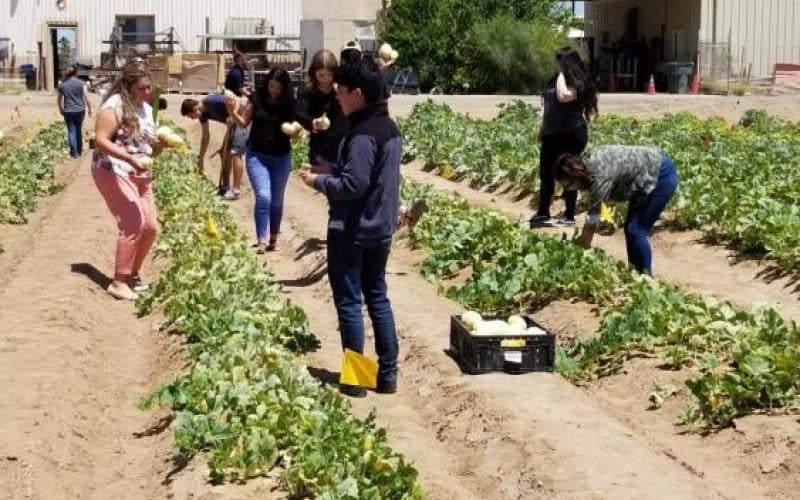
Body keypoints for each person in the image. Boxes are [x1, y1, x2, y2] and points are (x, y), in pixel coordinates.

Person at [299, 63, 402, 397]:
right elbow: (370, 177)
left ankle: (357, 381)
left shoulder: (362, 134)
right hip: (381, 227)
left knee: (349, 302)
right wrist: (334, 168)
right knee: (377, 297)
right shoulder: (388, 128)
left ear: (357, 94)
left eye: (341, 92)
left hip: (353, 228)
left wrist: (319, 181)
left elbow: (354, 185)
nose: (337, 98)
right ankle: (386, 377)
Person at [92, 60, 164, 300]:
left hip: (139, 172)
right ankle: (118, 281)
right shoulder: (114, 107)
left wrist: (160, 145)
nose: (148, 92)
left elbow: (147, 145)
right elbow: (101, 140)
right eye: (143, 88)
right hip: (113, 169)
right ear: (128, 85)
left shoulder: (145, 107)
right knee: (133, 221)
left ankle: (132, 273)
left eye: (149, 87)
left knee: (151, 227)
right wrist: (130, 159)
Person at [554, 145, 679, 276]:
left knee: (637, 231)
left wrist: (581, 254)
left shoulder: (599, 178)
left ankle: (646, 278)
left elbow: (591, 226)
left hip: (661, 176)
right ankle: (635, 274)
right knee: (630, 228)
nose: (568, 190)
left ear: (575, 176)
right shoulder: (591, 161)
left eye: (568, 185)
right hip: (648, 176)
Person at [227, 68, 295, 253]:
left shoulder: (289, 104)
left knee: (277, 200)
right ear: (267, 84)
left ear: (284, 89)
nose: (274, 90)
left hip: (281, 156)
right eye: (272, 86)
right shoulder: (257, 99)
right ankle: (261, 239)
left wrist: (300, 130)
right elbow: (243, 122)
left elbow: (299, 124)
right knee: (264, 196)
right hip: (257, 155)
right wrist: (231, 112)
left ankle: (273, 237)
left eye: (278, 88)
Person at [530, 48, 598, 228]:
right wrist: (543, 128)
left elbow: (562, 97)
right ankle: (543, 213)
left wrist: (562, 75)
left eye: (560, 61)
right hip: (552, 133)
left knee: (569, 171)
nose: (557, 64)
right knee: (546, 173)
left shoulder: (576, 82)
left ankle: (569, 215)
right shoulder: (555, 80)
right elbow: (549, 105)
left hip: (571, 134)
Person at [180, 95, 247, 200]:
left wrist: (232, 114)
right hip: (232, 124)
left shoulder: (211, 101)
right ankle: (225, 187)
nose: (193, 119)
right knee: (224, 153)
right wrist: (201, 157)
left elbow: (237, 100)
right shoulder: (202, 115)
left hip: (242, 118)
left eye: (191, 116)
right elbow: (205, 136)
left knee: (235, 153)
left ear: (195, 109)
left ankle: (236, 190)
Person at [295, 50, 347, 170]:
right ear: (314, 73)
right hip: (319, 148)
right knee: (323, 184)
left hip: (342, 145)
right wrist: (312, 122)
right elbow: (298, 112)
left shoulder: (342, 89)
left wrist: (341, 92)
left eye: (329, 75)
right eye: (321, 75)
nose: (325, 79)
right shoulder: (308, 91)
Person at [57, 66, 92, 159]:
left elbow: (59, 99)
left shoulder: (62, 84)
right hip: (80, 110)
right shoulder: (81, 83)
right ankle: (79, 151)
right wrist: (90, 109)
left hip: (68, 111)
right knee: (78, 129)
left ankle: (74, 152)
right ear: (76, 73)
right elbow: (86, 96)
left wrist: (61, 109)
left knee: (71, 131)